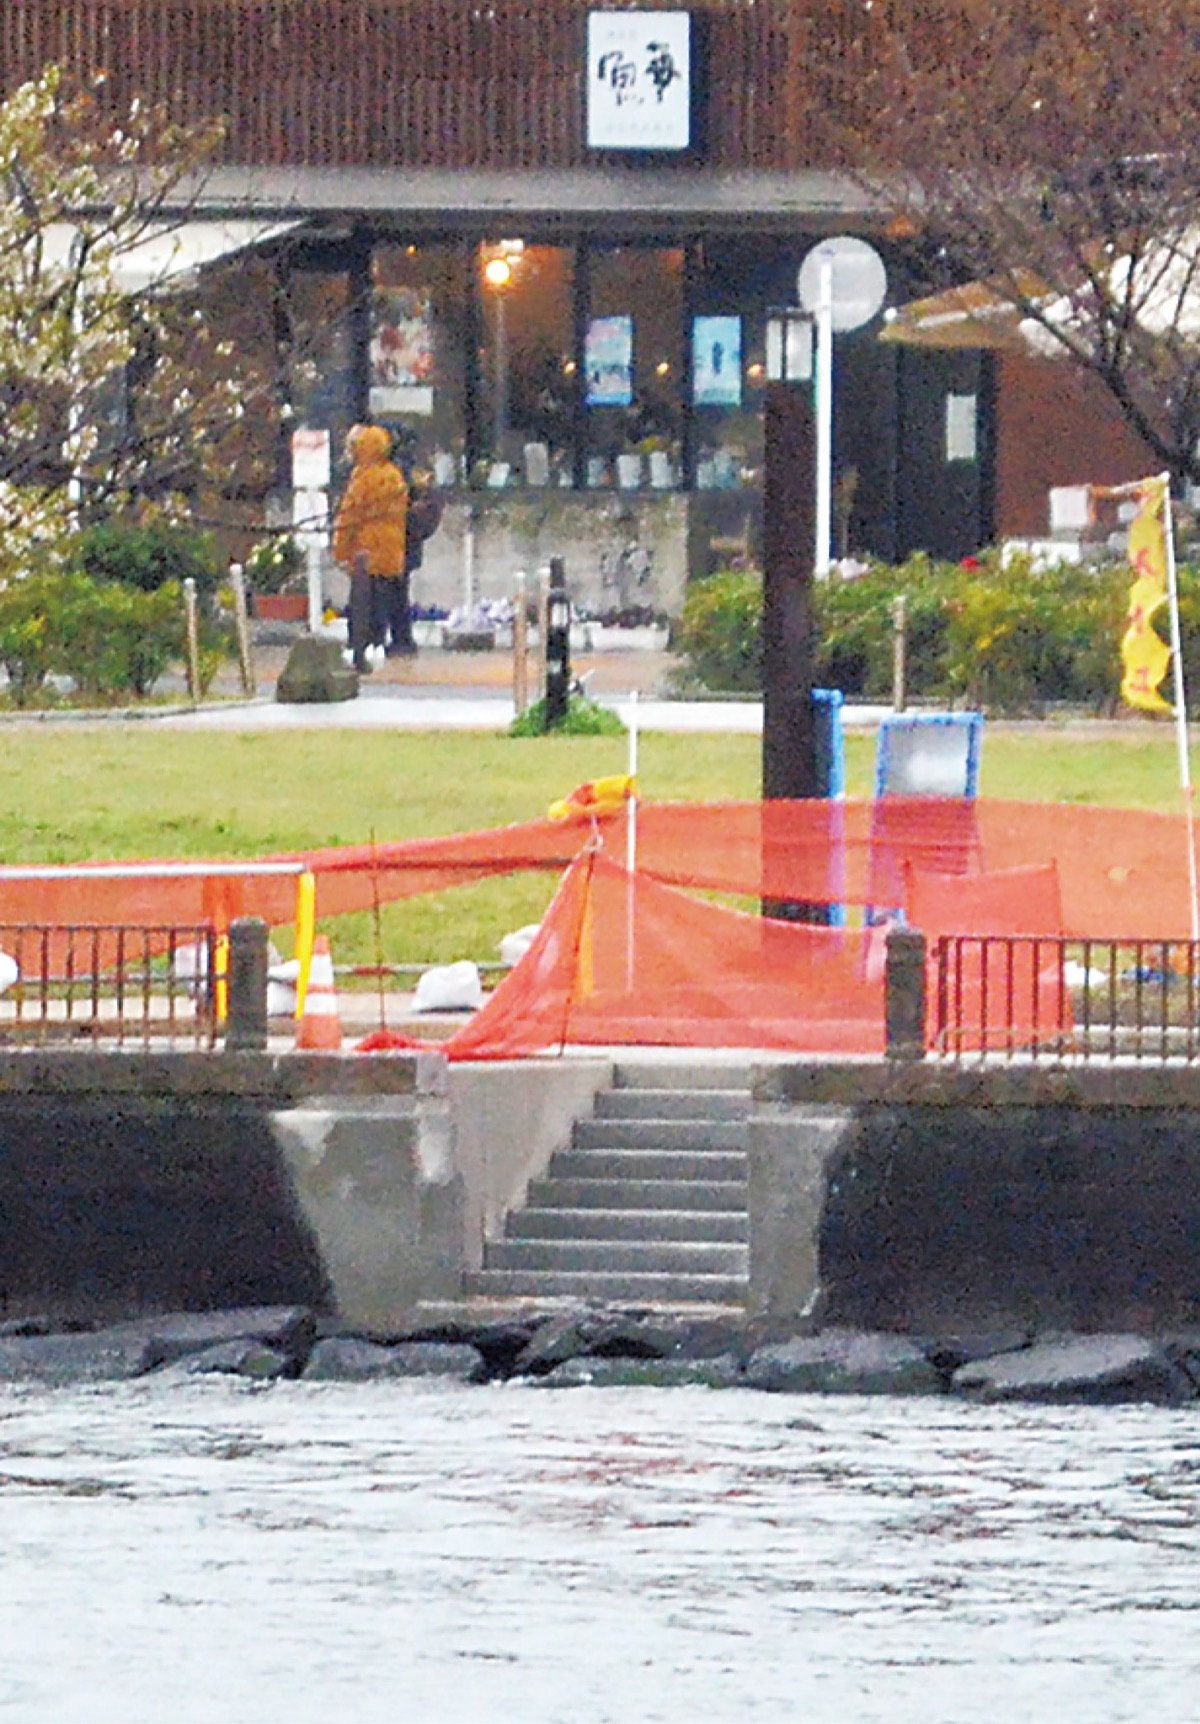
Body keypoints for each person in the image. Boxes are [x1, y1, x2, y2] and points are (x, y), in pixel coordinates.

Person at [331, 424, 408, 671]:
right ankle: (377, 644)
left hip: (365, 551)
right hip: (391, 550)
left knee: (361, 603)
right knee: (382, 603)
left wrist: (340, 551)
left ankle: (358, 649)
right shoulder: (395, 476)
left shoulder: (362, 478)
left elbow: (349, 516)